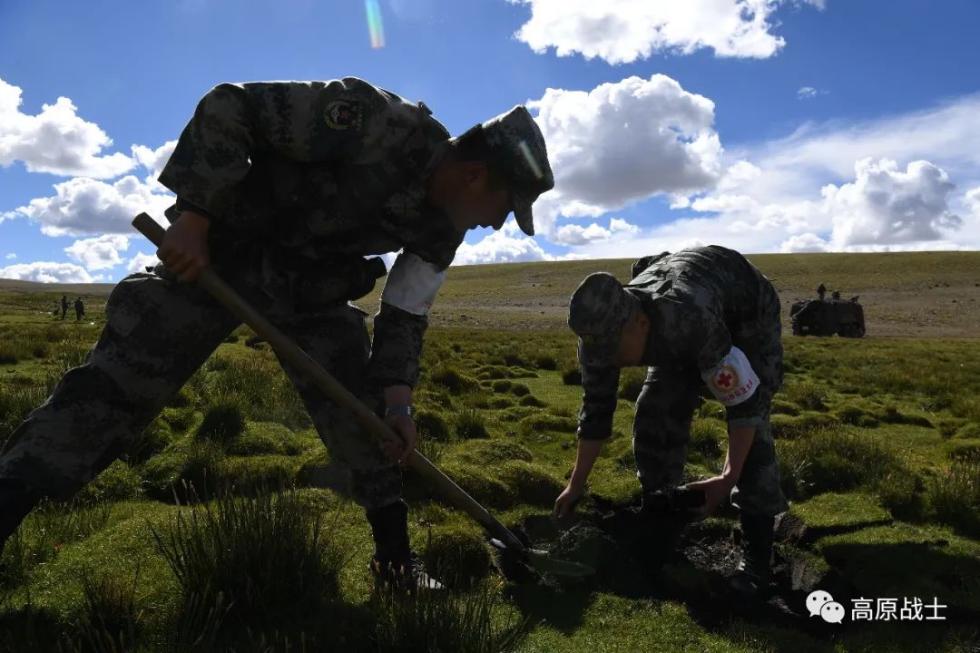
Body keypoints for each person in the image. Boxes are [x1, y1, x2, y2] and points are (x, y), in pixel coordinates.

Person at [0, 77, 554, 590]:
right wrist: (193, 217)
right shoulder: (374, 122)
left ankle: (395, 565)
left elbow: (406, 311)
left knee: (366, 420)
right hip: (217, 258)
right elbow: (230, 106)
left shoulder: (444, 226)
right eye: (505, 208)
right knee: (111, 394)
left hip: (309, 289)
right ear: (476, 175)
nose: (497, 224)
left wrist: (400, 402)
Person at [555, 246, 788, 599]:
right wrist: (576, 485)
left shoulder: (690, 319)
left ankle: (757, 560)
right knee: (655, 410)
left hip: (747, 310)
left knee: (754, 431)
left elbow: (745, 404)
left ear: (640, 323)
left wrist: (728, 477)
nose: (609, 360)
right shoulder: (600, 339)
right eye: (600, 351)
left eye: (614, 349)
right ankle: (662, 513)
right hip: (676, 318)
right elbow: (596, 411)